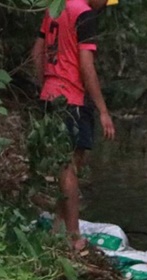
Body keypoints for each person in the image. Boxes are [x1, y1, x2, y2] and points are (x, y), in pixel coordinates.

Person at [33, 0, 116, 249]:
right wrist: (103, 110)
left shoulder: (56, 7)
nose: (104, 6)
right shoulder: (85, 14)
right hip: (73, 99)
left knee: (70, 165)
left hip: (51, 95)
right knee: (69, 167)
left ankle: (59, 225)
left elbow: (37, 51)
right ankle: (74, 235)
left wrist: (45, 86)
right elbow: (86, 63)